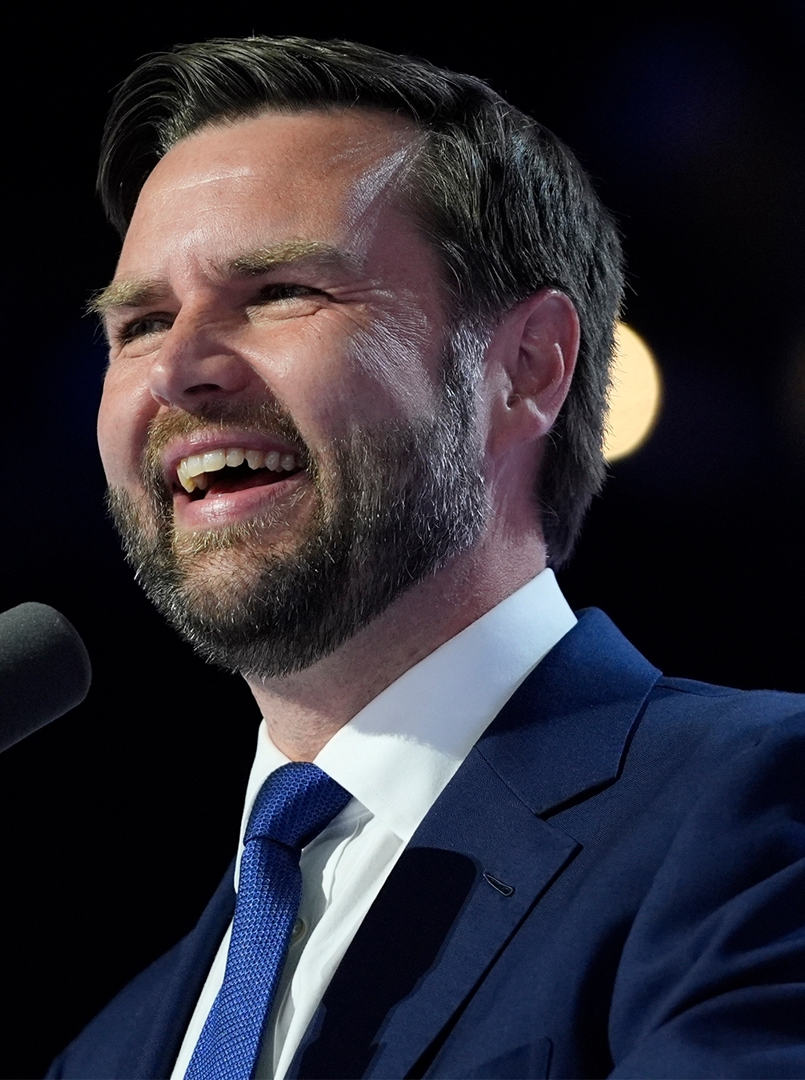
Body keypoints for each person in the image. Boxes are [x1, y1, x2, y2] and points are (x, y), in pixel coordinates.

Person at [49, 37, 805, 1079]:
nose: (178, 369)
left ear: (527, 366)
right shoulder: (110, 1053)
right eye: (137, 323)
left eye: (277, 292)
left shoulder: (752, 811)